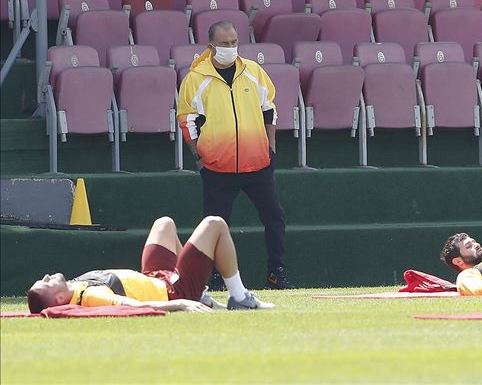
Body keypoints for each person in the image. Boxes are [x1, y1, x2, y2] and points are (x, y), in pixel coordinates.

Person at [177, 21, 291, 289]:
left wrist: (271, 146)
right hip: (217, 168)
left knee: (275, 217)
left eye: (234, 42)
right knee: (216, 225)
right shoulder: (195, 79)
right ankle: (217, 277)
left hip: (258, 163)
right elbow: (187, 121)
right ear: (211, 46)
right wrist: (199, 158)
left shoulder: (253, 71)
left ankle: (276, 272)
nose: (230, 47)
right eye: (224, 43)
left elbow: (269, 109)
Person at [26, 216, 273, 313]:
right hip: (173, 291)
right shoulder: (90, 296)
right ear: (59, 299)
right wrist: (180, 303)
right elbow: (134, 306)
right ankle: (239, 298)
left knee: (164, 224)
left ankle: (202, 294)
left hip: (155, 277)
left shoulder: (73, 286)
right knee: (214, 224)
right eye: (46, 283)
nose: (47, 276)